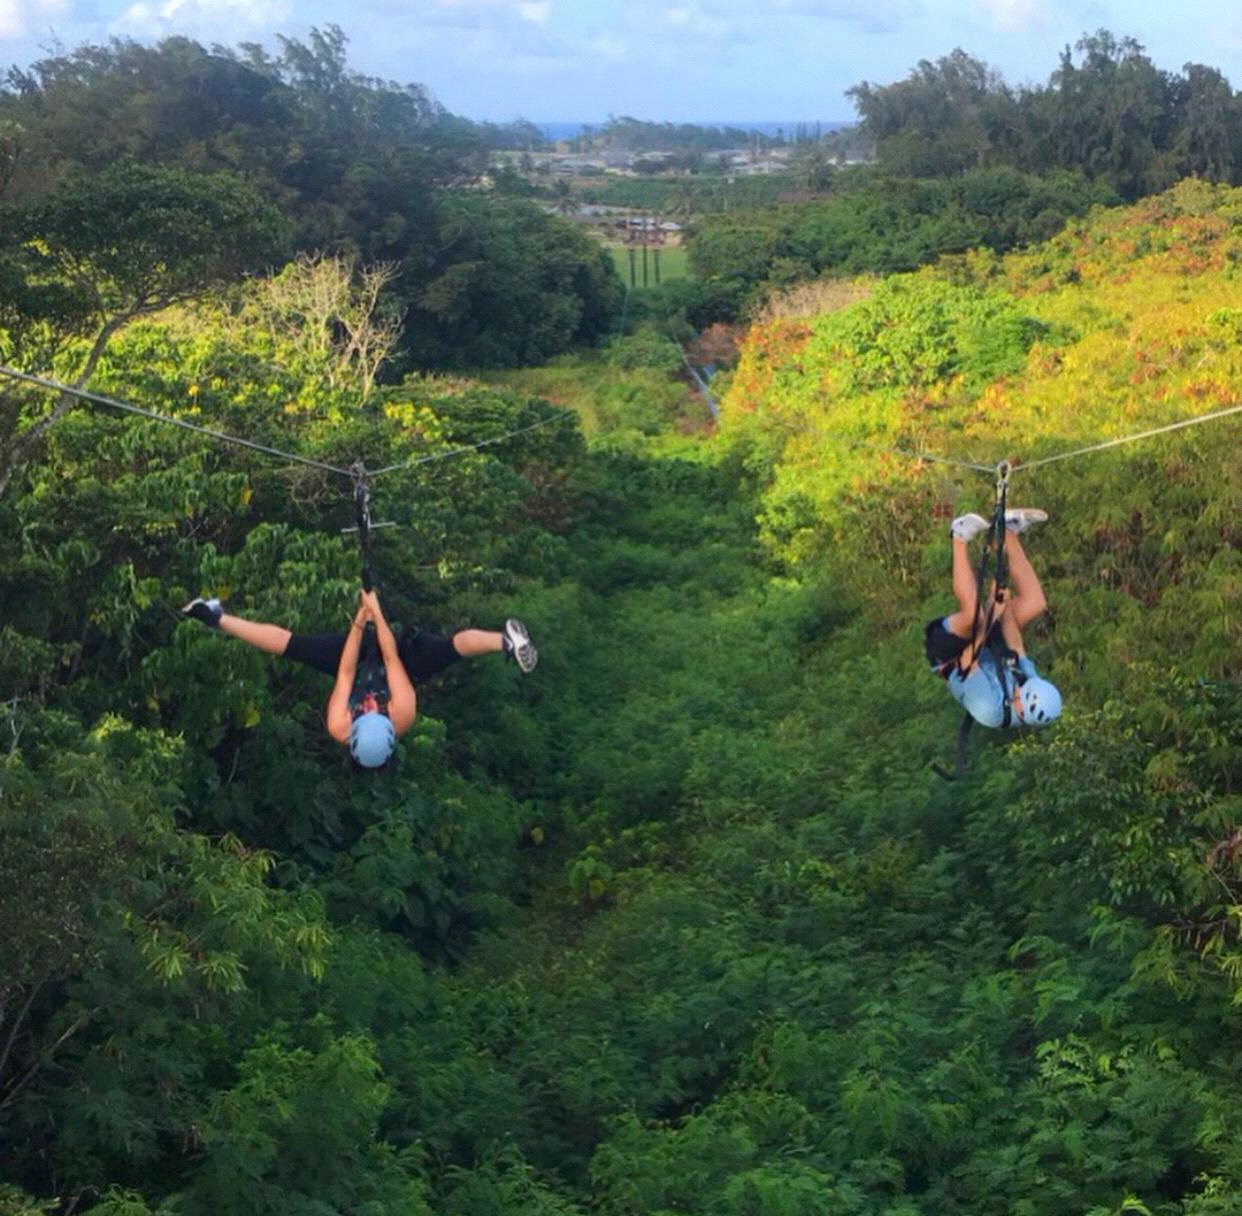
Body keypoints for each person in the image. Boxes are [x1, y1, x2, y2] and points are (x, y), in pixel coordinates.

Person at [181, 589, 537, 767]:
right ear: (386, 719)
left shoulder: (339, 724)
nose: (367, 705)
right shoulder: (403, 712)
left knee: (293, 646)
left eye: (361, 711)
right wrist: (376, 611)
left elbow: (347, 670)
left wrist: (359, 618)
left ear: (352, 726)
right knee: (450, 647)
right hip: (401, 665)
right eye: (372, 710)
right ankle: (505, 642)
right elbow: (392, 655)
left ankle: (215, 617)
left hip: (355, 666)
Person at [923, 509, 1061, 729]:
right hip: (987, 646)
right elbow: (1016, 646)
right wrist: (1002, 607)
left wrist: (990, 610)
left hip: (952, 656)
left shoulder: (990, 709)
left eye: (1020, 691)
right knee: (1035, 603)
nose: (1020, 687)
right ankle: (1008, 531)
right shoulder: (1031, 685)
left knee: (974, 616)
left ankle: (958, 536)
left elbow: (968, 660)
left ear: (1021, 706)